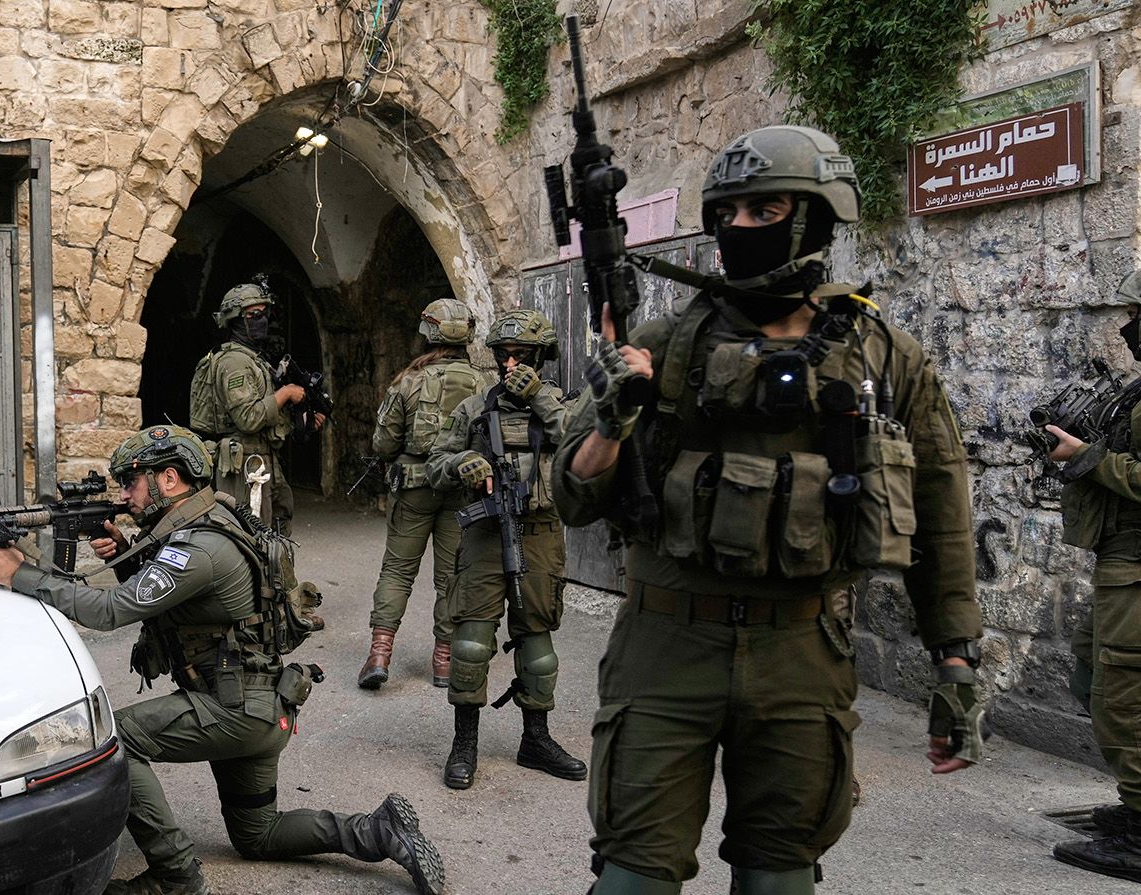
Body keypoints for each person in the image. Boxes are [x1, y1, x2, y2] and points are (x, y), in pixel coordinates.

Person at [552, 125, 984, 894]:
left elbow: (944, 516)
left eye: (767, 209)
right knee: (631, 879)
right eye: (730, 214)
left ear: (816, 216)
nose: (741, 229)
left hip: (802, 653)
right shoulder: (660, 345)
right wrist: (616, 418)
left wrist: (955, 661)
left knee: (780, 876)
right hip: (665, 644)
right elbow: (572, 494)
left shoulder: (885, 358)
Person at [0, 426, 444, 895]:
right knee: (257, 835)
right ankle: (376, 831)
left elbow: (109, 611)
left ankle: (175, 876)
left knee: (113, 739)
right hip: (262, 707)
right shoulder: (209, 523)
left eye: (131, 482)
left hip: (234, 710)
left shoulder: (197, 548)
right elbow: (180, 604)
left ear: (168, 478)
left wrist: (21, 573)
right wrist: (127, 555)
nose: (125, 496)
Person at [426, 309, 587, 789]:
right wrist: (463, 462)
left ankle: (535, 738)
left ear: (542, 357)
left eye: (522, 355)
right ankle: (465, 742)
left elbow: (581, 446)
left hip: (539, 535)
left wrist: (538, 397)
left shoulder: (560, 404)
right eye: (504, 355)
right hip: (483, 533)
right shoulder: (475, 407)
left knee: (537, 643)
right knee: (471, 643)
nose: (512, 363)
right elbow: (434, 462)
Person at [1048, 269, 1141, 881]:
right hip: (1121, 565)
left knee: (1126, 696)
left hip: (1136, 569)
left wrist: (1086, 458)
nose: (1132, 325)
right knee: (1094, 673)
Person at [358, 298, 492, 690]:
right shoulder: (482, 385)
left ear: (428, 334)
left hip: (413, 489)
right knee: (451, 575)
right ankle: (445, 662)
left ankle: (380, 654)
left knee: (398, 570)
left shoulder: (407, 381)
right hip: (460, 490)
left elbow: (384, 444)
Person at [190, 281, 318, 535]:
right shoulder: (235, 363)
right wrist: (285, 393)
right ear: (236, 320)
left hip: (260, 458)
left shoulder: (252, 359)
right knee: (251, 535)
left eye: (265, 314)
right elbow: (248, 419)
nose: (262, 321)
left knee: (277, 527)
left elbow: (266, 416)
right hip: (244, 466)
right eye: (254, 316)